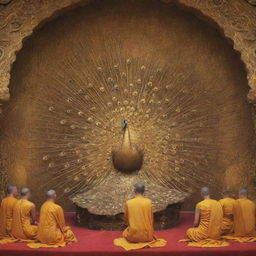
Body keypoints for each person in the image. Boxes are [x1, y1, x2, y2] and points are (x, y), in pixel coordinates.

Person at [114, 183, 166, 250]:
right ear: (144, 191)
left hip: (133, 237)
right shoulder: (148, 202)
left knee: (125, 232)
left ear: (134, 190)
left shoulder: (129, 202)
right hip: (148, 236)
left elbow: (126, 219)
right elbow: (151, 218)